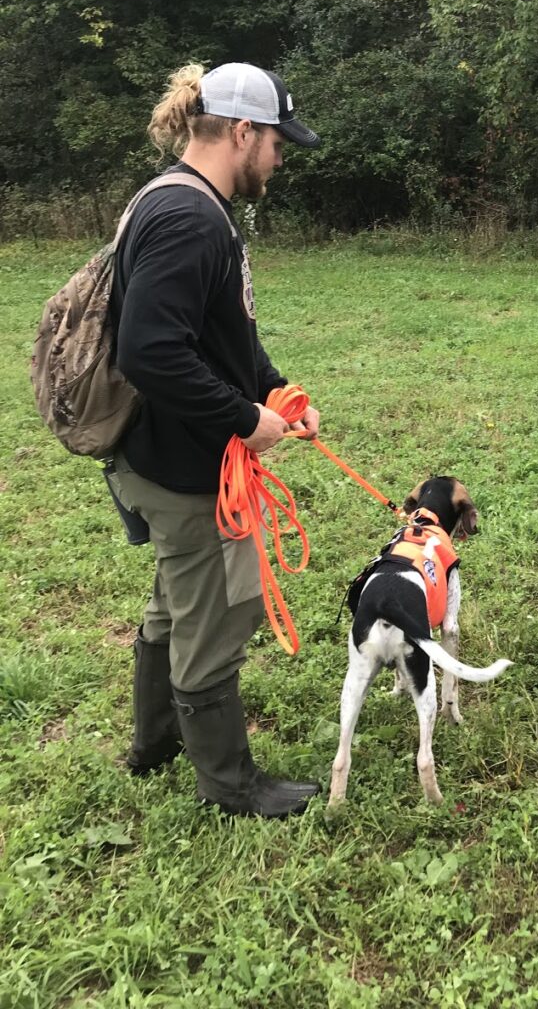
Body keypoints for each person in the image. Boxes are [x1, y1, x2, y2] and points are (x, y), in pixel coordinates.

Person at [107, 62, 323, 819]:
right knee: (216, 617)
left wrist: (274, 392)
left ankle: (155, 742)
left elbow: (221, 337)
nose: (280, 158)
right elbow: (150, 351)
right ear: (241, 133)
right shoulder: (191, 218)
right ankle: (231, 788)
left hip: (169, 454)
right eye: (275, 142)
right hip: (186, 469)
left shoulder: (186, 202)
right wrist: (243, 419)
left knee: (174, 602)